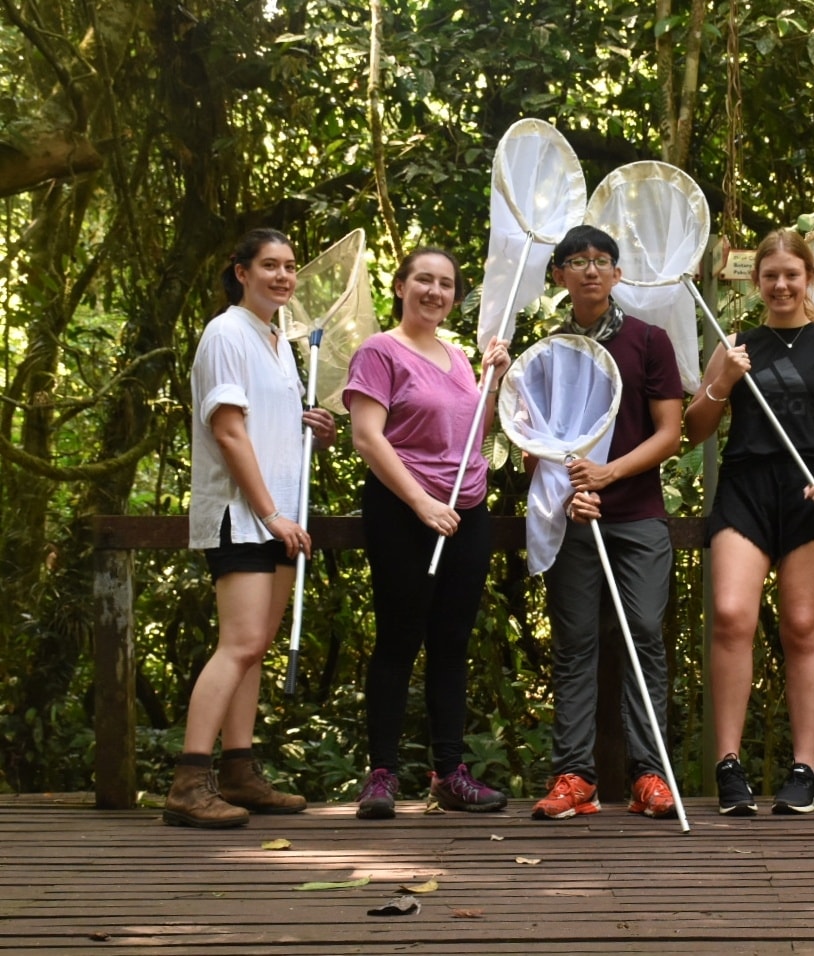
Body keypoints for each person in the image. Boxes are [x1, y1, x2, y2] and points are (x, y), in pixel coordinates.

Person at [685, 227, 814, 815]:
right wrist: (723, 381)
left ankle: (804, 769)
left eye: (792, 274)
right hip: (744, 487)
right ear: (757, 281)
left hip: (810, 491)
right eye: (770, 275)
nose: (781, 284)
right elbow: (695, 428)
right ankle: (728, 766)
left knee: (801, 626)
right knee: (731, 615)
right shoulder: (734, 340)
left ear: (808, 278)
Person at [167, 228, 337, 828]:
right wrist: (269, 512)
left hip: (281, 516)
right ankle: (190, 781)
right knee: (239, 643)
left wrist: (308, 423)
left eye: (290, 267)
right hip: (244, 514)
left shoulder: (278, 341)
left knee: (255, 648)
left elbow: (265, 424)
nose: (283, 276)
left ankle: (239, 772)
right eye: (270, 265)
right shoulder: (226, 333)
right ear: (241, 271)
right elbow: (230, 432)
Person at [343, 248, 510, 820]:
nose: (434, 292)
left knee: (451, 644)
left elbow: (474, 436)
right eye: (424, 280)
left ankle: (449, 773)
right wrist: (420, 502)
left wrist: (493, 382)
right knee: (398, 638)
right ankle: (382, 775)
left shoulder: (460, 357)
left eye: (445, 284)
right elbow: (368, 437)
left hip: (466, 513)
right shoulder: (378, 351)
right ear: (400, 285)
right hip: (402, 510)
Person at [529, 225, 686, 821]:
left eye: (602, 261)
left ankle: (651, 775)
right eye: (577, 261)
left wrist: (608, 475)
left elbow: (670, 434)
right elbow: (534, 440)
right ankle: (574, 776)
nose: (590, 270)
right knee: (575, 644)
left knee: (645, 631)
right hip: (573, 515)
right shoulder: (548, 349)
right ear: (560, 275)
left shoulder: (650, 340)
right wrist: (573, 484)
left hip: (638, 514)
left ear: (618, 274)